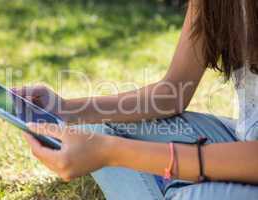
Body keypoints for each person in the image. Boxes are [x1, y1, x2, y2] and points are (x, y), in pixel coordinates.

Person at [14, 0, 258, 199]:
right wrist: (64, 110)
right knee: (92, 129)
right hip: (243, 138)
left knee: (191, 196)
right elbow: (172, 93)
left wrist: (111, 152)